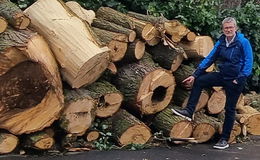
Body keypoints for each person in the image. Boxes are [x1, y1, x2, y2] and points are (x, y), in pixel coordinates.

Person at [172, 17, 253, 149]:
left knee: (230, 109)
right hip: (222, 75)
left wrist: (239, 78)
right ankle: (189, 110)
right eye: (226, 28)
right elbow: (210, 58)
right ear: (223, 29)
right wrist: (195, 75)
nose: (228, 30)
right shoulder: (221, 42)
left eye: (231, 27)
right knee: (199, 81)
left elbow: (248, 63)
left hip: (235, 79)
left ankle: (224, 139)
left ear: (235, 28)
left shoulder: (243, 42)